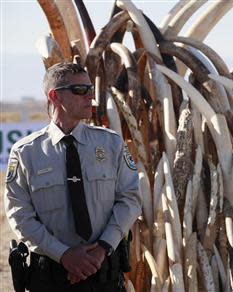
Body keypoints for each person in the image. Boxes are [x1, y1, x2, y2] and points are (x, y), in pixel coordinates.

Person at [4, 62, 142, 292]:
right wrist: (65, 255)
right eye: (80, 90)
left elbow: (130, 199)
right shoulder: (26, 152)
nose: (90, 97)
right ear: (55, 96)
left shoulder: (111, 144)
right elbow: (19, 214)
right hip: (51, 276)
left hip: (104, 273)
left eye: (91, 89)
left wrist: (100, 251)